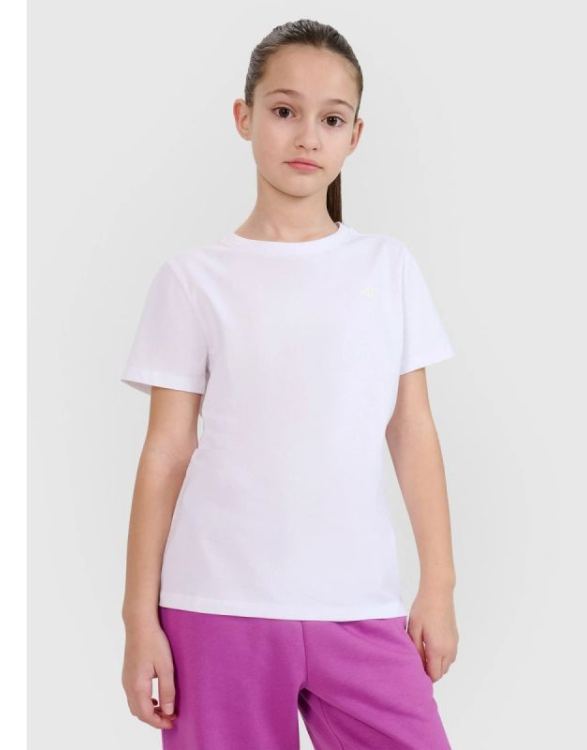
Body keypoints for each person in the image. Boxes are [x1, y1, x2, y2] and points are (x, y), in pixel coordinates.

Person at [120, 18, 458, 750]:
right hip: (218, 604)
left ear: (355, 137)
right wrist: (138, 620)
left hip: (358, 602)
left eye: (331, 120)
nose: (307, 136)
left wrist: (439, 584)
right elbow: (166, 452)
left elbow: (412, 431)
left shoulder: (388, 269)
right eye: (284, 110)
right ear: (244, 118)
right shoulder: (192, 279)